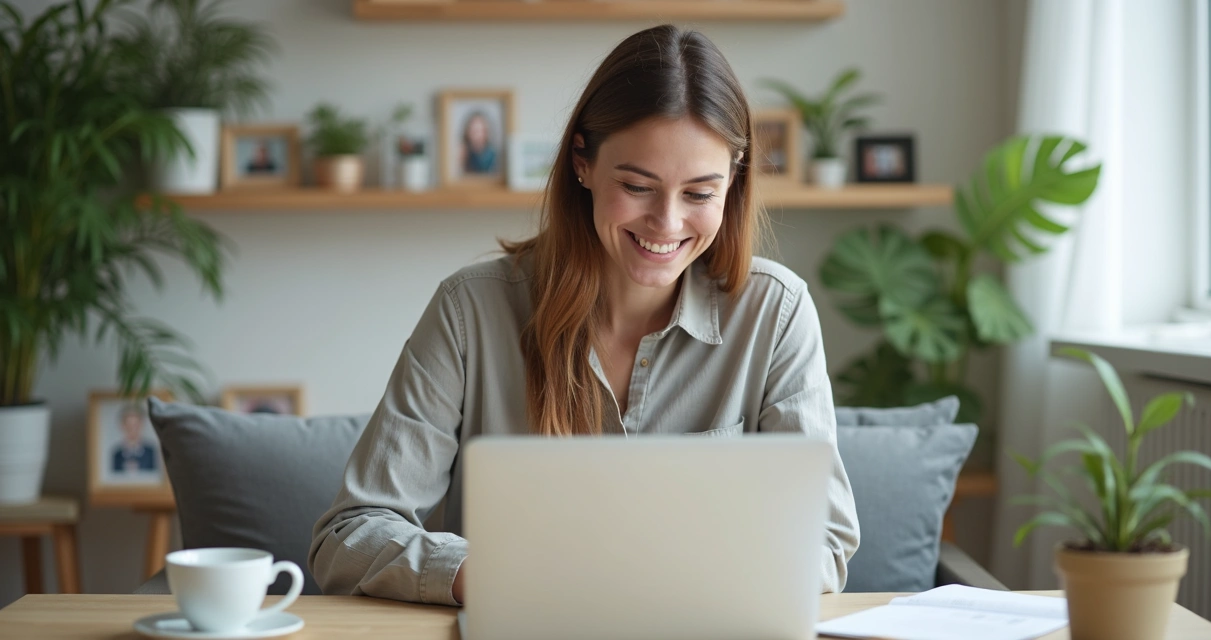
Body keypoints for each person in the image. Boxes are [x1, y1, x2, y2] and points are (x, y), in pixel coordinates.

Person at [309, 24, 859, 607]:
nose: (667, 224)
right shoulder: (470, 310)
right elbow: (349, 535)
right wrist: (494, 573)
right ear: (582, 163)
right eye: (637, 186)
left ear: (734, 183)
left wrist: (684, 575)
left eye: (699, 194)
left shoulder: (776, 313)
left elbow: (823, 542)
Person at [111, 404, 157, 474]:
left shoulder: (150, 452)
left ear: (141, 425)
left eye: (135, 425)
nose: (132, 430)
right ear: (123, 426)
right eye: (129, 426)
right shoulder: (117, 455)